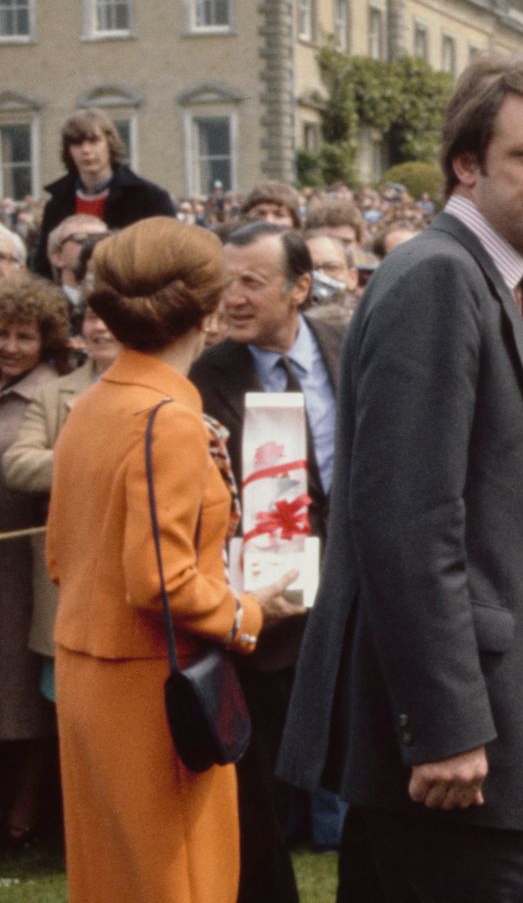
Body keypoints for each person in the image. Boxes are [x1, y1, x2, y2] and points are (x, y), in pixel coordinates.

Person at [279, 52, 523, 900]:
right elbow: (406, 523)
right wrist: (447, 726)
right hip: (458, 743)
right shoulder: (438, 277)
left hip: (464, 727)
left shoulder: (480, 278)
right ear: (467, 162)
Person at [46, 218, 302, 903]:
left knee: (115, 879)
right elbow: (159, 580)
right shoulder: (166, 417)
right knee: (179, 881)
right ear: (207, 306)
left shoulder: (98, 402)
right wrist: (251, 611)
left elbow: (61, 553)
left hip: (93, 670)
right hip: (156, 683)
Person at [188, 220, 347, 899]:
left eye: (251, 281)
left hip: (363, 597)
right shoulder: (206, 374)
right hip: (270, 615)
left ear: (300, 288)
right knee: (261, 797)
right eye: (226, 282)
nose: (233, 298)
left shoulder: (352, 343)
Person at [0, 276, 68, 846]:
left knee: (24, 698)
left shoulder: (52, 394)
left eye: (24, 336)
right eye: (2, 334)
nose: (11, 346)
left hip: (24, 567)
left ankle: (25, 816)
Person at [29, 109, 176, 278]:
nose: (86, 150)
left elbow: (169, 257)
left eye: (94, 141)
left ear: (110, 143)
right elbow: (42, 265)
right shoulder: (57, 203)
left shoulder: (149, 197)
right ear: (68, 150)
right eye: (77, 143)